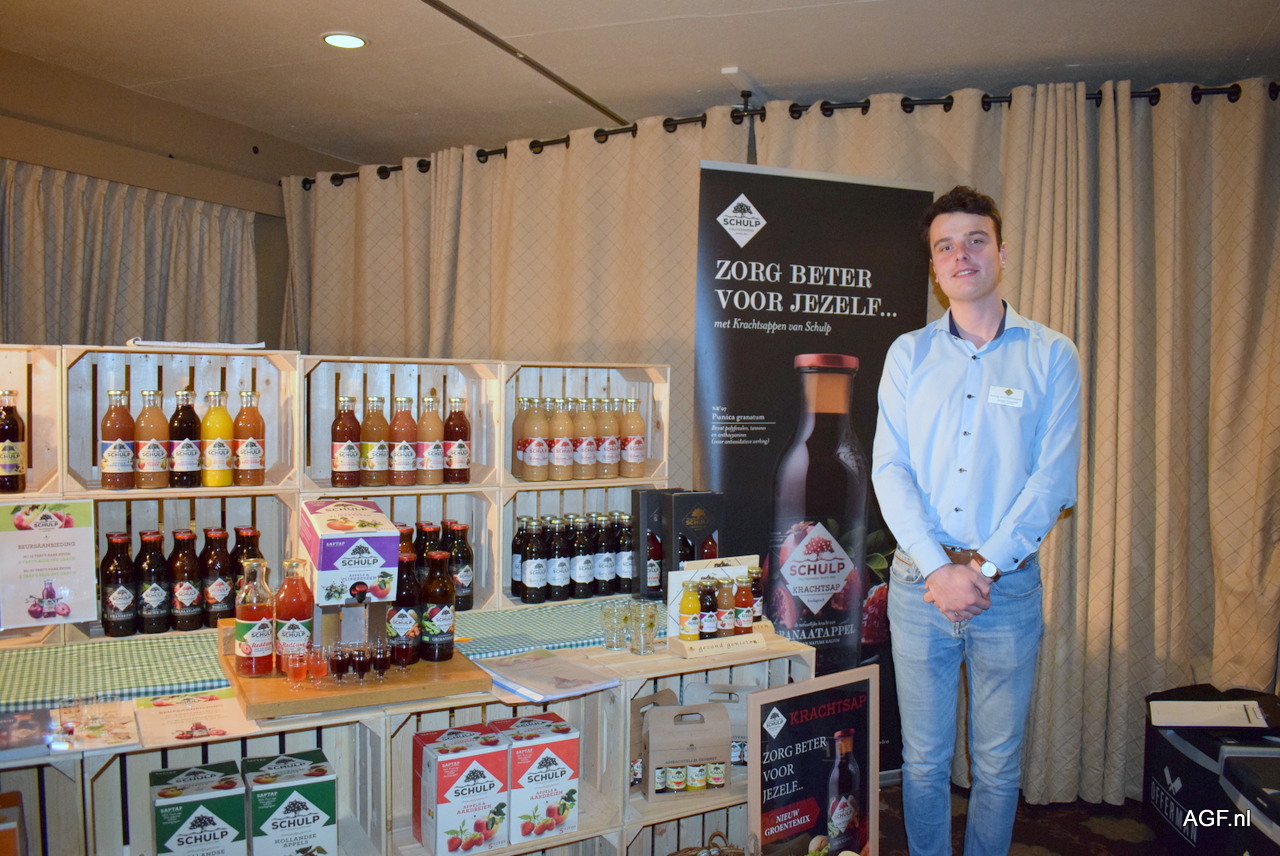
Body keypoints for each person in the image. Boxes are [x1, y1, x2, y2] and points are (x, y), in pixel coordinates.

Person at [871, 186, 1082, 855]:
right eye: (945, 246)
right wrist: (941, 570)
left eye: (975, 240)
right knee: (924, 762)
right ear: (935, 268)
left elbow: (1052, 481)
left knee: (996, 766)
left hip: (1006, 588)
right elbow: (890, 470)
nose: (961, 255)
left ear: (1001, 251)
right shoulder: (908, 354)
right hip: (919, 586)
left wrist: (982, 569)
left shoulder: (1052, 355)